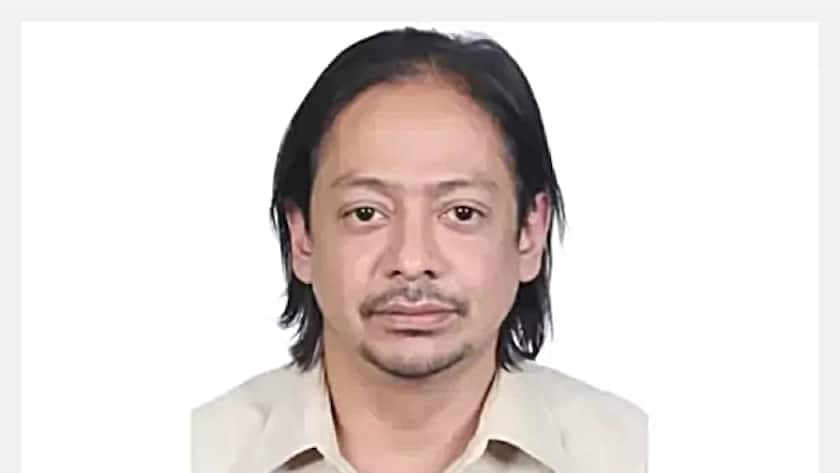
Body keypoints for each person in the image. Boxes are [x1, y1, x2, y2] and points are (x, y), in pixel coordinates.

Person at [192, 26, 647, 473]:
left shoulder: (634, 454)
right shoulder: (199, 453)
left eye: (462, 213)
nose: (412, 262)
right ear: (302, 237)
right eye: (366, 213)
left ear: (530, 231)